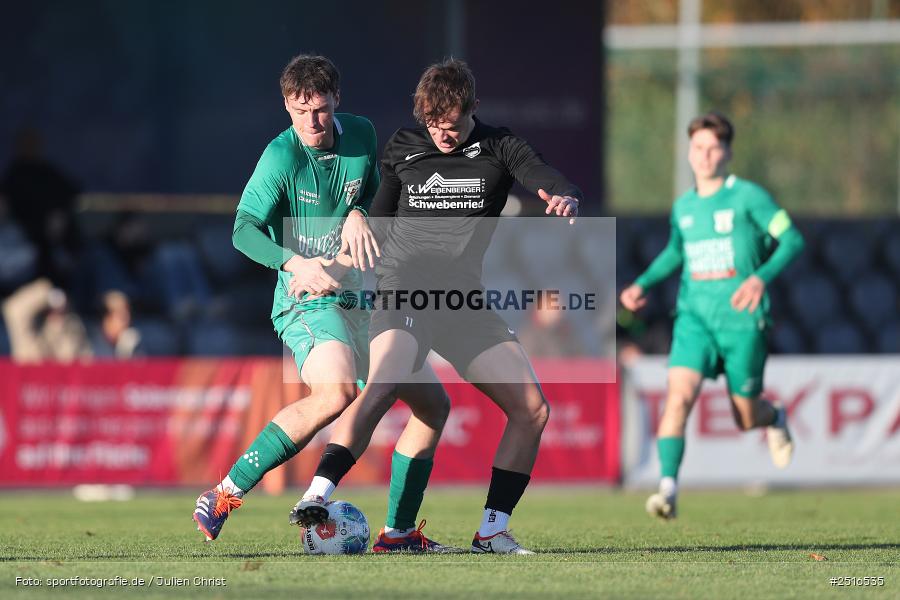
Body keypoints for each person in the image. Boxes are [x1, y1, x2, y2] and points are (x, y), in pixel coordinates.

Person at [289, 59, 583, 554]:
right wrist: (334, 268)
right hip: (401, 289)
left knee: (532, 409)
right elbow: (377, 220)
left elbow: (541, 173)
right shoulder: (404, 146)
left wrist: (565, 194)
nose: (441, 136)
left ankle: (491, 532)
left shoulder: (499, 146)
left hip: (462, 303)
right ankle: (318, 494)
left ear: (472, 111)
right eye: (432, 125)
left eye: (450, 127)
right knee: (383, 384)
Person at [192, 55, 454, 553]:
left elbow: (380, 199)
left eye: (318, 109)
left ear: (337, 100)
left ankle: (397, 533)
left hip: (362, 297)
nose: (310, 122)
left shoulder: (361, 134)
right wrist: (295, 264)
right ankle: (224, 494)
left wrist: (360, 211)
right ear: (286, 106)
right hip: (306, 300)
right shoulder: (280, 157)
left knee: (433, 406)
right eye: (298, 110)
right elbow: (242, 228)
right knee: (336, 393)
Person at [619, 112, 804, 520]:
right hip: (694, 321)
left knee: (745, 415)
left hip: (742, 322)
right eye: (698, 147)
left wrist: (760, 278)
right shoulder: (684, 207)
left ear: (728, 152)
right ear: (689, 152)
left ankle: (774, 416)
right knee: (678, 398)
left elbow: (792, 239)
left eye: (713, 147)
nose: (705, 156)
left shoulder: (749, 197)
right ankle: (667, 489)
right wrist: (643, 283)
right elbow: (676, 252)